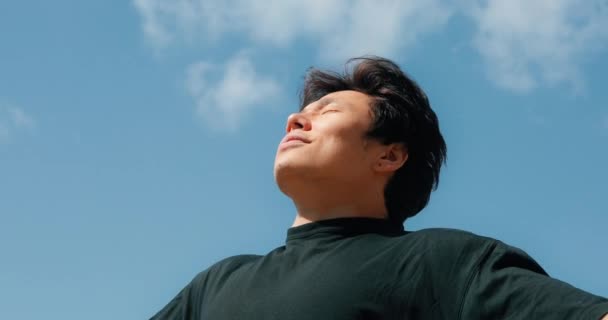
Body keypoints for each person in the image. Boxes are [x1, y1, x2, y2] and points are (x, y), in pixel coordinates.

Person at [150, 56, 608, 319]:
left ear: (389, 155)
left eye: (328, 111)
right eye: (303, 112)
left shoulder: (440, 263)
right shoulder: (214, 285)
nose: (295, 119)